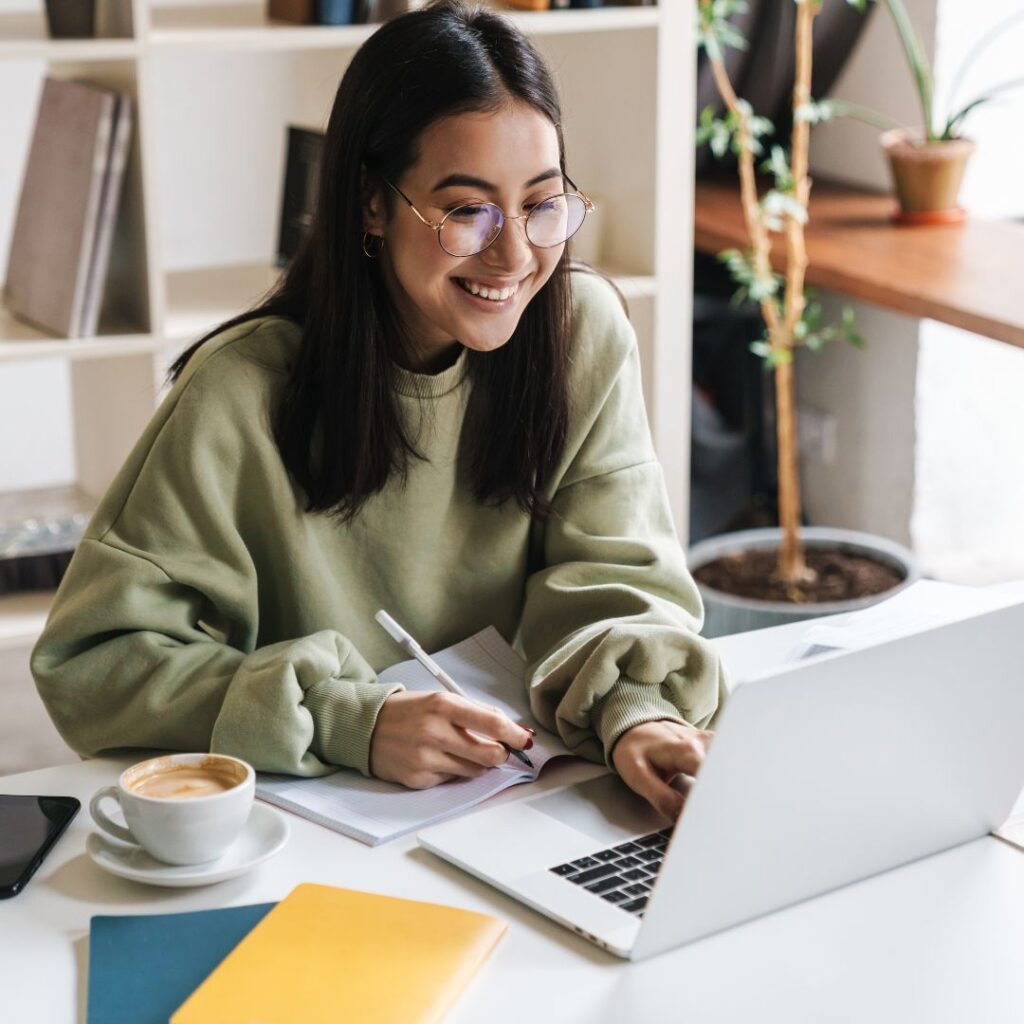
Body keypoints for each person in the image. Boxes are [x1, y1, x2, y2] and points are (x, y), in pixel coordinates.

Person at [31, 0, 725, 822]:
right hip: (313, 832)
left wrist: (638, 710)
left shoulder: (583, 334)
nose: (515, 255)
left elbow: (615, 580)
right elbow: (94, 663)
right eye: (469, 211)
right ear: (371, 204)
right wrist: (348, 718)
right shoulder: (240, 391)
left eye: (543, 204)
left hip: (529, 807)